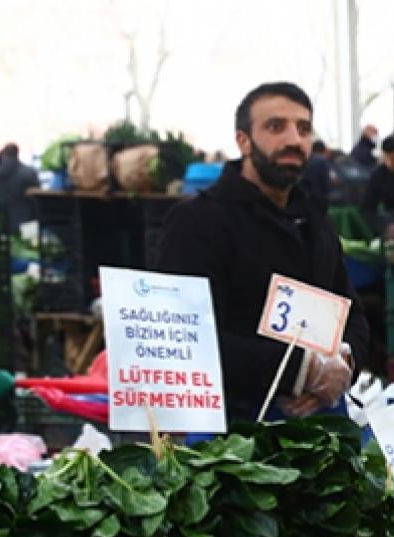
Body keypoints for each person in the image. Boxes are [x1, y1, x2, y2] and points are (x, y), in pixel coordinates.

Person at [156, 82, 370, 423]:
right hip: (233, 439)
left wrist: (343, 364)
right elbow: (189, 342)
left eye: (303, 128)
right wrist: (302, 369)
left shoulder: (316, 220)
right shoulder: (197, 222)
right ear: (243, 140)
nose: (293, 140)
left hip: (322, 427)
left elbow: (352, 315)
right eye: (275, 127)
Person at [0, 143, 40, 231]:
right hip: (25, 218)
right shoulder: (28, 173)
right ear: (17, 153)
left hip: (2, 219)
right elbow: (36, 194)